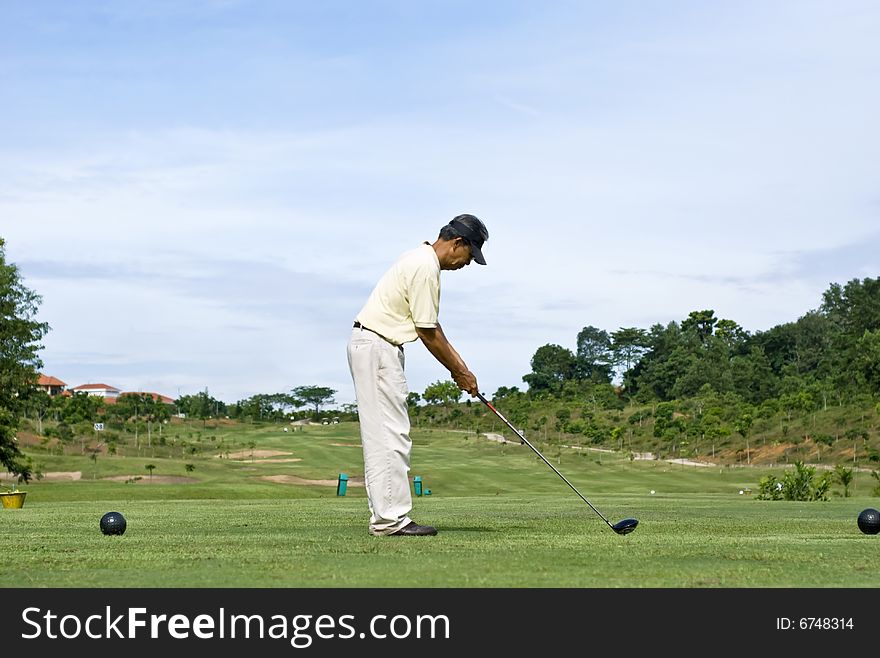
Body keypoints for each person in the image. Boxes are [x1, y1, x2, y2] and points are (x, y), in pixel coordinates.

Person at [347, 214, 489, 537]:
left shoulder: (416, 257)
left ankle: (387, 518)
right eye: (470, 255)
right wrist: (461, 372)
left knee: (385, 436)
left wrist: (461, 369)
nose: (468, 265)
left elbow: (429, 327)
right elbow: (428, 331)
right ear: (457, 244)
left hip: (374, 345)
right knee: (390, 437)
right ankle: (390, 520)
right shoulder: (426, 267)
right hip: (378, 346)